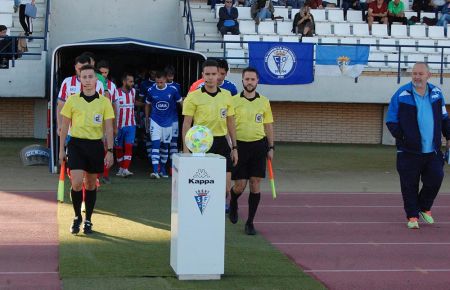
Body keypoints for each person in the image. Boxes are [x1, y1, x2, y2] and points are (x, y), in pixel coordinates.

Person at [386, 62, 450, 229]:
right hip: (408, 151)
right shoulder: (402, 94)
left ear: (429, 75)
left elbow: (444, 118)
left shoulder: (437, 93)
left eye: (420, 73)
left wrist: (448, 136)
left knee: (436, 178)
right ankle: (412, 216)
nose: (416, 76)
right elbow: (391, 120)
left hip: (433, 150)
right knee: (409, 185)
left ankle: (424, 208)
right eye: (414, 73)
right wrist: (404, 137)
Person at [59, 64, 115, 235]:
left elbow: (109, 129)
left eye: (91, 77)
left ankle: (88, 219)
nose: (88, 80)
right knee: (76, 183)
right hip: (76, 144)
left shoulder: (104, 102)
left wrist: (110, 151)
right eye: (84, 77)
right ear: (80, 79)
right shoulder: (72, 100)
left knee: (90, 184)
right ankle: (77, 217)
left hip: (95, 146)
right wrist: (62, 149)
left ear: (96, 80)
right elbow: (64, 127)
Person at [182, 59, 238, 207]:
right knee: (203, 185)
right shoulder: (193, 97)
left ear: (219, 75)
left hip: (222, 142)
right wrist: (186, 150)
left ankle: (223, 204)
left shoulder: (227, 95)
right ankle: (208, 212)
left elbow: (230, 122)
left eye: (214, 74)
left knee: (225, 188)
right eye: (207, 74)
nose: (211, 77)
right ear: (202, 75)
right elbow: (187, 123)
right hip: (201, 145)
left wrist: (235, 147)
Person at [228, 67, 274, 235]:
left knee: (255, 183)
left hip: (258, 147)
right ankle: (233, 201)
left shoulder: (264, 101)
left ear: (257, 81)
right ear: (242, 80)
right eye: (246, 79)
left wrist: (271, 147)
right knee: (240, 186)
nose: (249, 82)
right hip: (240, 147)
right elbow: (229, 125)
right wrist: (232, 147)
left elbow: (268, 125)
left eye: (252, 79)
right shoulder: (232, 101)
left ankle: (250, 222)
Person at [145, 71, 182, 178]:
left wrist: (185, 116)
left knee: (165, 146)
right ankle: (155, 171)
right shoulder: (151, 90)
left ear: (165, 80)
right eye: (157, 82)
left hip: (168, 122)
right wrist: (147, 118)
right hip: (155, 121)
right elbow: (147, 104)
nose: (159, 84)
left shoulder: (173, 90)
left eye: (161, 82)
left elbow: (180, 102)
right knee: (155, 145)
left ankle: (163, 169)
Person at [56, 54, 105, 136]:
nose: (82, 71)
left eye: (85, 68)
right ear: (75, 67)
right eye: (79, 69)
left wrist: (103, 130)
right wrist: (60, 125)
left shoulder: (99, 84)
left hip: (92, 133)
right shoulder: (67, 82)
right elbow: (61, 105)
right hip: (71, 133)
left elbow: (101, 109)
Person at [97, 60, 118, 184]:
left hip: (107, 122)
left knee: (107, 148)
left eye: (106, 72)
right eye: (101, 72)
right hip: (95, 123)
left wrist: (115, 124)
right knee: (96, 149)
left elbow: (115, 106)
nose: (104, 74)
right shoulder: (93, 83)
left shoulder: (112, 86)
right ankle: (96, 175)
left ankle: (105, 175)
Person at [114, 73, 137, 178]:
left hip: (131, 124)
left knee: (129, 146)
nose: (132, 83)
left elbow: (134, 104)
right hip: (118, 125)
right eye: (130, 81)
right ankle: (121, 168)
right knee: (118, 148)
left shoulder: (133, 91)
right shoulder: (116, 92)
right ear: (124, 81)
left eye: (132, 81)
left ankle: (126, 169)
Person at [165, 66, 182, 167]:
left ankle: (173, 166)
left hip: (174, 117)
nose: (171, 78)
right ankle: (164, 165)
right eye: (169, 76)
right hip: (163, 119)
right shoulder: (160, 85)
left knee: (174, 142)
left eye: (172, 76)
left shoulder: (177, 86)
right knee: (164, 143)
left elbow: (179, 101)